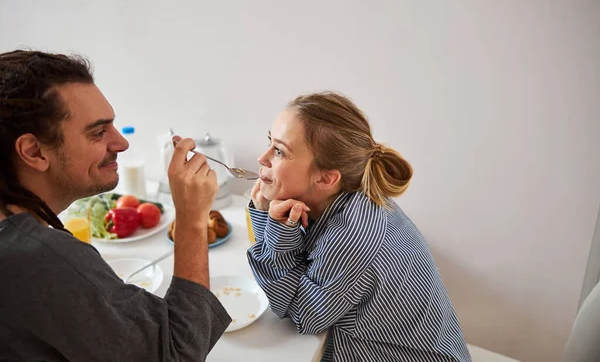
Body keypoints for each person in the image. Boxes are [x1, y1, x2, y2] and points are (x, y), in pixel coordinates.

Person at [0, 50, 231, 361]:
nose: (121, 143)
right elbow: (178, 354)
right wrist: (191, 218)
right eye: (98, 132)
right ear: (34, 151)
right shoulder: (37, 258)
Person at [247, 92, 471, 361]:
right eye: (270, 141)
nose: (263, 157)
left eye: (280, 151)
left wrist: (267, 221)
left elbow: (301, 316)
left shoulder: (349, 236)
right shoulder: (352, 198)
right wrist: (271, 222)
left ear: (327, 178)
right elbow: (305, 271)